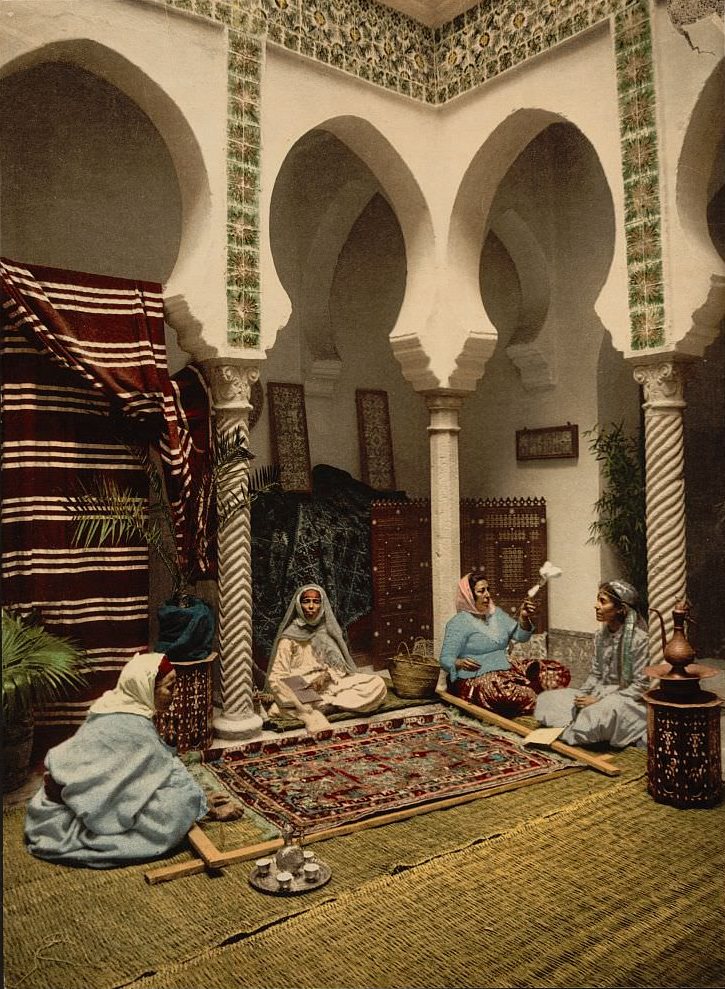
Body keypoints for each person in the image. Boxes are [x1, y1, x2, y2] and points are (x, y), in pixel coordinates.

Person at [24, 652, 240, 868]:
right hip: (69, 814)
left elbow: (137, 771)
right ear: (146, 688)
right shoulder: (135, 726)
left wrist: (201, 800)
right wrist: (203, 807)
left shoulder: (112, 704)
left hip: (56, 802)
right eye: (169, 687)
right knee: (178, 800)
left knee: (169, 786)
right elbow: (169, 772)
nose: (174, 695)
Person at [534, 579, 650, 748]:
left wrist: (598, 700)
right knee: (547, 699)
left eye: (602, 601)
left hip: (626, 701)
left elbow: (640, 686)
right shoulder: (600, 636)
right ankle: (580, 727)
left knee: (596, 714)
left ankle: (581, 729)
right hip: (597, 695)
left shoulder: (639, 640)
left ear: (620, 609)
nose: (596, 606)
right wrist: (581, 696)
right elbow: (596, 674)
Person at [439, 572, 571, 718]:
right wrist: (459, 662)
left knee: (556, 672)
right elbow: (445, 659)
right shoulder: (458, 623)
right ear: (469, 595)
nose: (487, 595)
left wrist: (524, 617)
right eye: (481, 591)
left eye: (488, 589)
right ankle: (537, 699)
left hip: (507, 668)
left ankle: (536, 695)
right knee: (524, 695)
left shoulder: (496, 615)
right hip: (477, 677)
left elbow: (521, 636)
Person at [266, 583, 387, 733]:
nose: (311, 606)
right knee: (291, 697)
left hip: (329, 686)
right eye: (306, 601)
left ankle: (328, 706)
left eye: (316, 602)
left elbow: (340, 667)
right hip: (302, 688)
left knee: (377, 684)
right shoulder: (289, 639)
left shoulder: (326, 632)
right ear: (298, 605)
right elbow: (277, 676)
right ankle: (314, 707)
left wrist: (328, 675)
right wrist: (304, 686)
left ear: (322, 606)